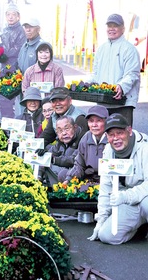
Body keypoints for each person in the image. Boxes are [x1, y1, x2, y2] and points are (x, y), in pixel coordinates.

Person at [88, 113, 148, 245]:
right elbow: (106, 188)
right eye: (111, 135)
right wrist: (101, 221)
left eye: (119, 133)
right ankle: (140, 228)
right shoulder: (108, 151)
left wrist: (126, 196)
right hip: (129, 202)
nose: (116, 138)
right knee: (107, 236)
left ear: (129, 131)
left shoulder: (145, 147)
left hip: (143, 197)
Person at [91, 13, 140, 126]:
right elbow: (96, 73)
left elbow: (132, 74)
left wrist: (121, 87)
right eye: (109, 26)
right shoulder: (101, 49)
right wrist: (83, 84)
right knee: (104, 138)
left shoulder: (129, 49)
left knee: (122, 138)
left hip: (123, 103)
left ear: (123, 29)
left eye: (115, 26)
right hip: (103, 103)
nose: (111, 29)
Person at [60, 105, 108, 183]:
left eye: (98, 120)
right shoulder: (86, 137)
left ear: (106, 122)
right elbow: (79, 164)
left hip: (106, 179)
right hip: (89, 178)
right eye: (91, 121)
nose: (94, 125)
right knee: (63, 175)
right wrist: (69, 180)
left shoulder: (111, 138)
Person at [36, 87, 88, 153]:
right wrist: (38, 146)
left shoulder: (79, 117)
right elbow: (47, 135)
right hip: (62, 150)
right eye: (54, 101)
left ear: (70, 101)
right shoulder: (53, 115)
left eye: (61, 100)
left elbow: (77, 146)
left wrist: (54, 156)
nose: (57, 104)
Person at [0, 2, 26, 118]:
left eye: (13, 14)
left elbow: (17, 49)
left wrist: (2, 53)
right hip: (4, 69)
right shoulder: (5, 30)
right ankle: (6, 126)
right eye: (8, 14)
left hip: (16, 69)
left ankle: (17, 127)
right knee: (3, 100)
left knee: (14, 100)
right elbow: (3, 46)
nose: (10, 17)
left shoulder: (22, 31)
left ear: (18, 16)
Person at [43, 116, 83, 185]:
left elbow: (73, 160)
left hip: (76, 177)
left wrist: (54, 159)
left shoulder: (82, 140)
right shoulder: (59, 142)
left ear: (75, 127)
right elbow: (48, 155)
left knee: (63, 173)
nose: (64, 133)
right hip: (59, 179)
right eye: (60, 130)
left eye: (66, 129)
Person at [15, 17, 43, 116]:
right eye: (26, 27)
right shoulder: (25, 45)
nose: (28, 29)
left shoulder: (42, 46)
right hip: (23, 89)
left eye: (31, 27)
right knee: (23, 117)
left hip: (35, 92)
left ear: (38, 29)